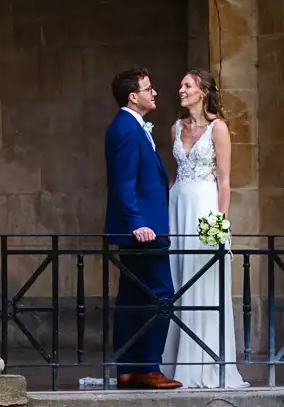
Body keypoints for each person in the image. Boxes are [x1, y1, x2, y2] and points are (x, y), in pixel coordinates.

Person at [161, 70, 249, 389]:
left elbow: (224, 180)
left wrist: (220, 223)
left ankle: (203, 363)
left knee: (203, 281)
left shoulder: (219, 128)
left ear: (203, 92)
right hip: (178, 205)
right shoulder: (175, 127)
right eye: (181, 84)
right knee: (178, 279)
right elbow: (175, 174)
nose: (180, 89)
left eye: (187, 85)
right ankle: (173, 363)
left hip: (204, 207)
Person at [103, 68, 180, 390]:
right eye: (149, 89)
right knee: (161, 295)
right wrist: (137, 225)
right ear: (133, 96)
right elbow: (122, 183)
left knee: (134, 297)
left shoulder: (134, 127)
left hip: (145, 226)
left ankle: (128, 368)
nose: (155, 93)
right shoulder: (124, 128)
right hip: (142, 231)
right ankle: (148, 367)